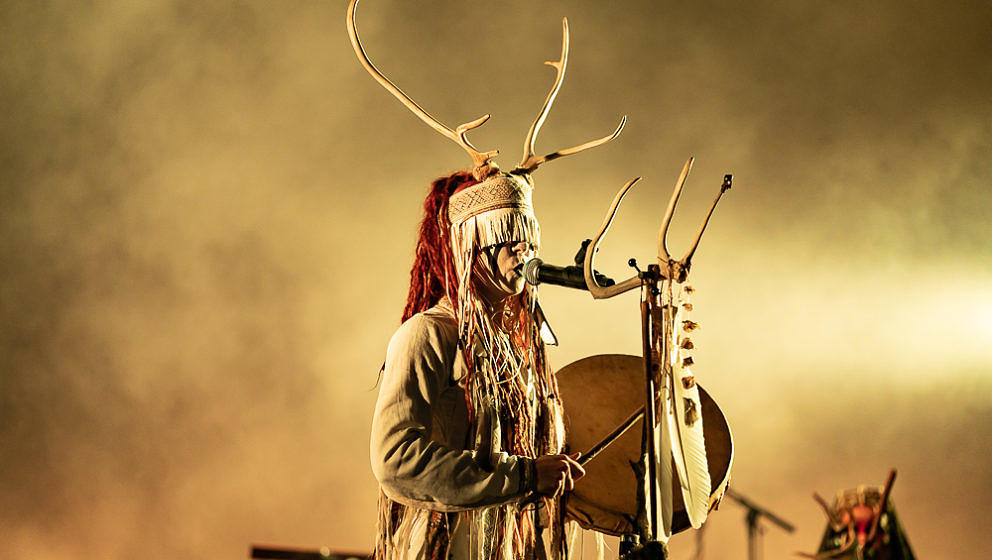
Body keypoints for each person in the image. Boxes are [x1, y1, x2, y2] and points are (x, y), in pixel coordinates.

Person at [370, 170, 586, 560]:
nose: (523, 250)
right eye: (507, 236)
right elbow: (396, 460)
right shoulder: (428, 334)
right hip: (449, 546)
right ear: (470, 244)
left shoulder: (519, 347)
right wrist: (524, 475)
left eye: (528, 238)